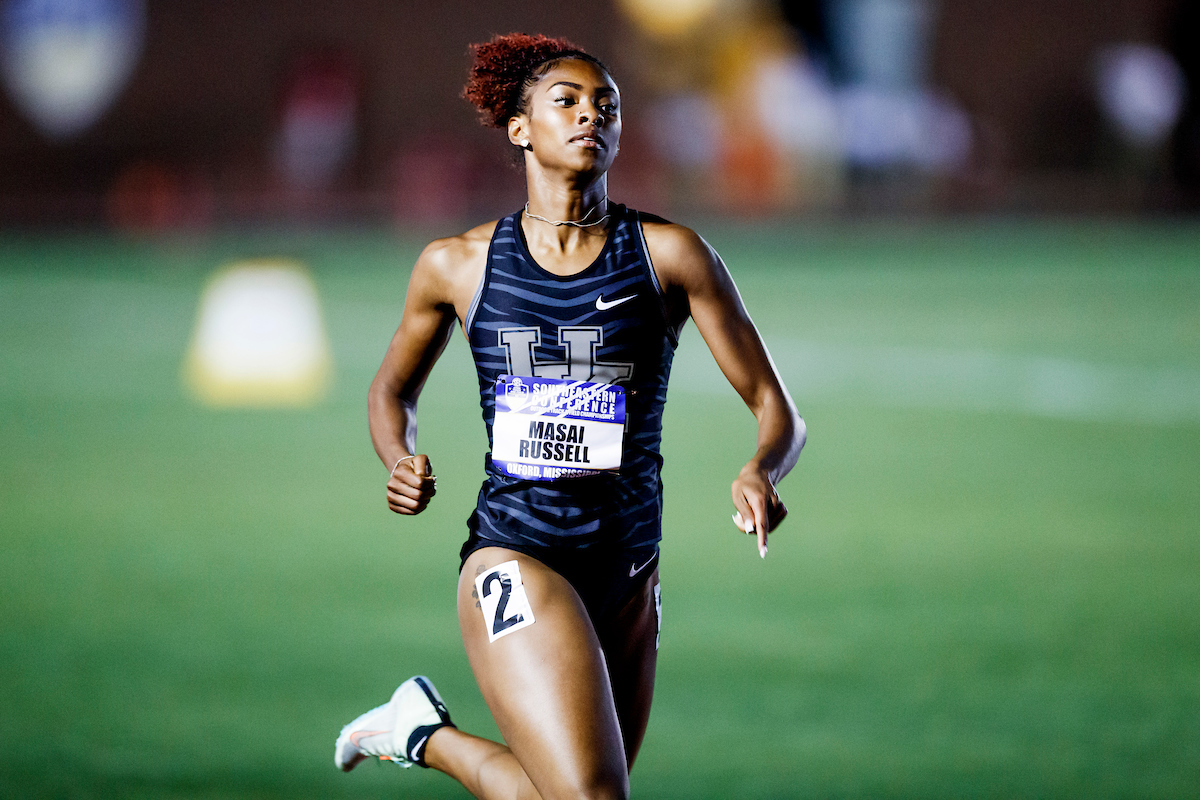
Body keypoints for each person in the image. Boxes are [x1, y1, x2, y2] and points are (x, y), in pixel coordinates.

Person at [333, 33, 805, 800]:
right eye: (569, 102)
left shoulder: (671, 256)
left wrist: (762, 466)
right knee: (592, 798)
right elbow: (390, 391)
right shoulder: (459, 264)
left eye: (607, 106)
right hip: (517, 551)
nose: (593, 116)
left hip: (628, 569)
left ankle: (417, 732)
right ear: (520, 129)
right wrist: (398, 456)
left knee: (568, 794)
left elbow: (775, 408)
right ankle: (426, 736)